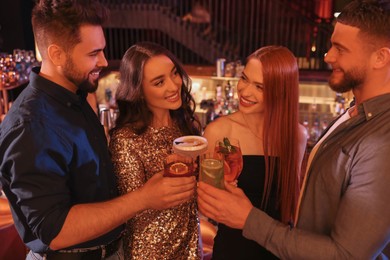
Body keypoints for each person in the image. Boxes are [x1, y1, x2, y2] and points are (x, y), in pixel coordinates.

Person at [0, 1, 196, 259]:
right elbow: (54, 231)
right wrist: (145, 198)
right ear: (57, 54)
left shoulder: (77, 96)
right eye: (93, 53)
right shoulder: (31, 125)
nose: (103, 61)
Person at [197, 0, 390, 258]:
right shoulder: (354, 113)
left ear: (381, 57)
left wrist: (248, 218)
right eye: (245, 79)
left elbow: (348, 254)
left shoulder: (381, 139)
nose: (327, 56)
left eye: (340, 49)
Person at [201, 45, 307, 259]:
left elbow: (292, 205)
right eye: (244, 78)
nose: (245, 91)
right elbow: (206, 204)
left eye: (260, 87)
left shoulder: (295, 135)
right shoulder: (221, 131)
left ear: (281, 91)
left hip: (278, 248)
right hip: (233, 249)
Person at [109, 42, 203, 259]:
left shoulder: (186, 128)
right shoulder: (126, 139)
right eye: (159, 82)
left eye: (174, 74)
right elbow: (131, 213)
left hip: (191, 249)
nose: (173, 86)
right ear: (139, 91)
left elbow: (194, 199)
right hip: (150, 253)